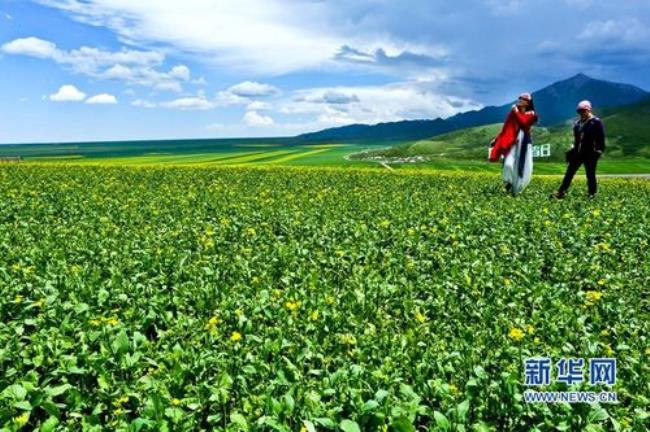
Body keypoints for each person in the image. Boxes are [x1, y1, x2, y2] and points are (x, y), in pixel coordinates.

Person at [551, 100, 605, 199]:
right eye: (579, 111)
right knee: (569, 173)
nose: (581, 113)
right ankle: (561, 192)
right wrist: (572, 151)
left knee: (590, 175)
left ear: (589, 110)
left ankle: (592, 194)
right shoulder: (578, 124)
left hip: (590, 153)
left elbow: (600, 138)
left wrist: (599, 151)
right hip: (578, 153)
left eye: (583, 111)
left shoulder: (596, 122)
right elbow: (577, 140)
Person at [489, 93, 539, 195]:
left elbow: (524, 124)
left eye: (523, 99)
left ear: (527, 103)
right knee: (508, 165)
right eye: (519, 98)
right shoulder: (513, 112)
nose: (520, 100)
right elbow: (507, 128)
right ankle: (509, 182)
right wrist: (497, 139)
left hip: (525, 143)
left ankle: (517, 191)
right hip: (512, 142)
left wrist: (516, 112)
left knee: (523, 167)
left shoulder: (532, 114)